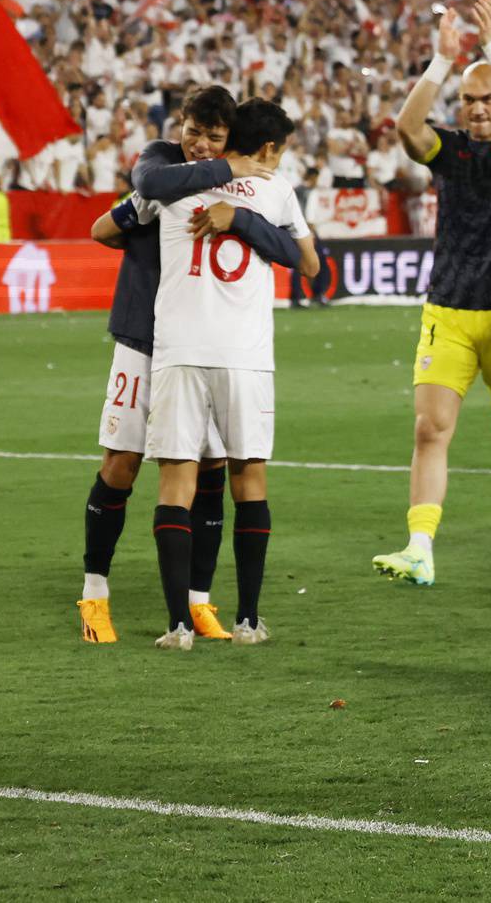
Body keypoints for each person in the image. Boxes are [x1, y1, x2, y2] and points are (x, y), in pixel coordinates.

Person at [76, 87, 299, 644]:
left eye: (214, 137)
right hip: (144, 337)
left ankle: (199, 601)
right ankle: (95, 590)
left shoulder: (240, 187)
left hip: (201, 343)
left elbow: (294, 251)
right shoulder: (163, 162)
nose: (199, 143)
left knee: (210, 467)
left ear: (232, 139)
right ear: (180, 125)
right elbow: (113, 219)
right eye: (193, 131)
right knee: (123, 461)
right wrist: (144, 237)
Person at [372, 1, 491, 586]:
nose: (476, 109)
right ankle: (420, 546)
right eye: (467, 100)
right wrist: (440, 62)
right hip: (448, 310)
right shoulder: (447, 150)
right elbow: (406, 128)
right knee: (430, 429)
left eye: (486, 99)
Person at [143, 98, 318, 650]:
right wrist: (246, 217)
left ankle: (177, 626)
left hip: (180, 351)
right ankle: (247, 620)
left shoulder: (172, 184)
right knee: (249, 481)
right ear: (268, 148)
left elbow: (118, 214)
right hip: (244, 355)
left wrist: (231, 215)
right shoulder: (275, 188)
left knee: (177, 482)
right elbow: (311, 265)